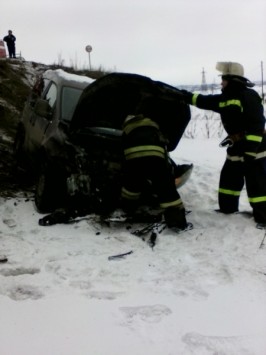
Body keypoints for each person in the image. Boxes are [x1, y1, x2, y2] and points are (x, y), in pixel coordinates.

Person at [182, 62, 266, 226]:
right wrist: (182, 96)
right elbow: (203, 100)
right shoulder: (225, 98)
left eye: (224, 79)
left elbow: (257, 125)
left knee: (257, 185)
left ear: (232, 79)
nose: (221, 83)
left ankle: (264, 216)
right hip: (236, 146)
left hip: (254, 149)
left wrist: (250, 152)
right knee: (229, 179)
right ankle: (227, 209)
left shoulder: (248, 96)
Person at [120, 97, 191, 232]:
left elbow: (122, 152)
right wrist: (165, 170)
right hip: (156, 160)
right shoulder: (153, 126)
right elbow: (164, 147)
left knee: (131, 187)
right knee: (166, 190)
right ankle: (177, 221)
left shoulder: (127, 129)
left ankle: (128, 209)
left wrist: (126, 171)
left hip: (135, 162)